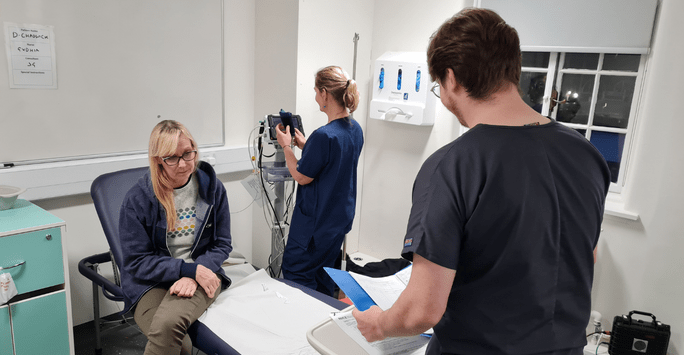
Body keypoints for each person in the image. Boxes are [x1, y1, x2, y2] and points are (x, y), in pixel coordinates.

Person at [353, 8, 610, 355]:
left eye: (438, 86)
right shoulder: (586, 154)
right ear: (512, 71)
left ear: (452, 78)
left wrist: (379, 324)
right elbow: (584, 255)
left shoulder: (453, 165)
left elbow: (421, 310)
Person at [119, 120, 233, 355]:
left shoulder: (213, 189)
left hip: (203, 272)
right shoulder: (138, 199)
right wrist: (186, 271)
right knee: (180, 347)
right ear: (158, 160)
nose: (183, 164)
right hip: (150, 282)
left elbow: (222, 244)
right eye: (172, 157)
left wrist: (196, 273)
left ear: (194, 149)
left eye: (188, 154)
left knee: (169, 325)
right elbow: (136, 261)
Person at [275, 66, 364, 297]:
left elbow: (301, 176)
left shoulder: (324, 135)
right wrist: (306, 145)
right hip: (336, 225)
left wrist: (286, 146)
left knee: (297, 276)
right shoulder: (354, 130)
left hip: (313, 228)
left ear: (324, 93)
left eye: (316, 91)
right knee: (324, 279)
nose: (315, 97)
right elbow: (334, 162)